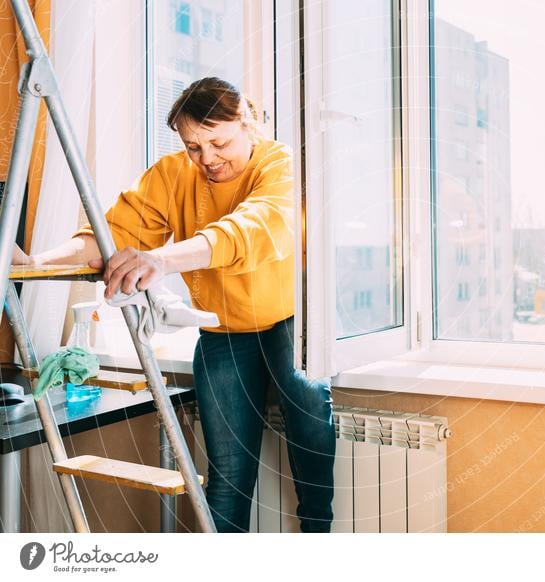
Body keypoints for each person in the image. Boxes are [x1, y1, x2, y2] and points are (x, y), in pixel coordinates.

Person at [13, 77, 336, 533]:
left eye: (219, 142)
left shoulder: (277, 163)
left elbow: (252, 228)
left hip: (291, 321)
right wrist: (35, 260)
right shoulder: (172, 175)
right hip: (224, 332)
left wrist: (160, 259)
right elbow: (112, 236)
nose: (208, 159)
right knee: (226, 480)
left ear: (249, 126)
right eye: (193, 147)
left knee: (309, 433)